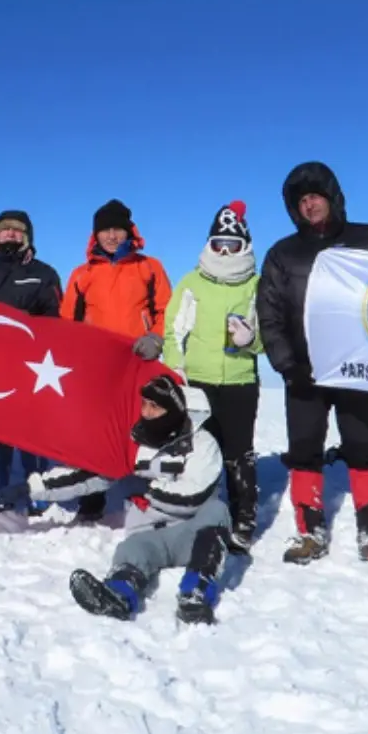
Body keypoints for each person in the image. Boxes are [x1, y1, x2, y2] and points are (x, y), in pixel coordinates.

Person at [257, 161, 368, 571]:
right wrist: (288, 364)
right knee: (304, 449)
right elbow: (268, 314)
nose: (310, 205)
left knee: (364, 447)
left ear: (332, 198)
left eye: (315, 196)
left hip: (357, 368)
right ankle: (310, 531)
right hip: (304, 373)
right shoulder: (282, 254)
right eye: (301, 200)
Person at [29, 376, 229, 624]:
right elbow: (89, 474)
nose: (146, 412)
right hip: (148, 534)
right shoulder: (132, 442)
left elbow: (194, 495)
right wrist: (35, 488)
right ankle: (118, 596)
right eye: (144, 404)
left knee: (217, 512)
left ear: (174, 410)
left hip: (190, 532)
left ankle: (196, 594)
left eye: (155, 407)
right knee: (130, 551)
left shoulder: (202, 443)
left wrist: (149, 489)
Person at [60, 199, 172, 521]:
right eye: (105, 230)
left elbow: (166, 309)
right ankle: (92, 497)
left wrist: (156, 338)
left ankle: (144, 490)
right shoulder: (82, 275)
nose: (112, 236)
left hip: (139, 360)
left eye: (117, 229)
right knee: (96, 429)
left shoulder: (149, 267)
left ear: (129, 231)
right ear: (95, 235)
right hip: (97, 364)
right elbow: (68, 320)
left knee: (143, 424)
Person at [162, 200, 263, 554]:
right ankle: (199, 513)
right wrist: (176, 368)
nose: (224, 250)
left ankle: (244, 518)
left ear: (244, 246)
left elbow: (268, 335)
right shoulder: (192, 282)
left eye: (231, 244)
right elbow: (173, 330)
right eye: (218, 242)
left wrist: (251, 341)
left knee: (239, 453)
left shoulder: (254, 284)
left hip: (240, 382)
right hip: (198, 383)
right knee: (200, 451)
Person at [0, 210, 62, 504]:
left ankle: (39, 496)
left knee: (33, 434)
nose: (10, 234)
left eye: (17, 231)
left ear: (27, 238)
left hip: (33, 368)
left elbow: (56, 320)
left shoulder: (44, 273)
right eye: (4, 230)